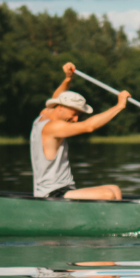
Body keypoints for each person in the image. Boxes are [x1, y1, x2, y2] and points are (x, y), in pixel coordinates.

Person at [31, 62, 128, 200]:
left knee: (115, 189)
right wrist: (119, 106)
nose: (76, 119)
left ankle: (118, 221)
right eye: (74, 113)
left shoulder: (45, 114)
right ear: (61, 107)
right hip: (52, 193)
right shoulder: (53, 127)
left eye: (79, 115)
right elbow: (89, 126)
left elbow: (58, 95)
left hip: (63, 189)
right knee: (107, 194)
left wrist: (68, 79)